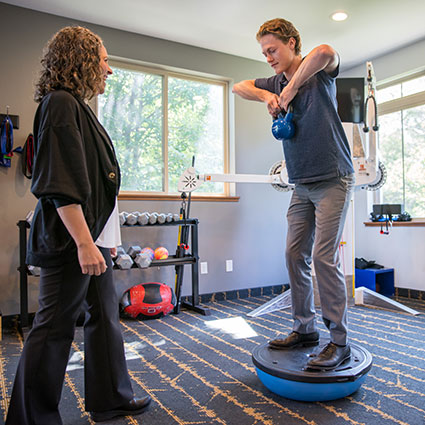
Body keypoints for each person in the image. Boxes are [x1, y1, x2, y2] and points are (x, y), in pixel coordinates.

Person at [6, 26, 151, 424]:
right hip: (73, 241)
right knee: (54, 329)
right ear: (83, 60)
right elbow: (60, 182)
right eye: (104, 60)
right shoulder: (59, 104)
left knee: (104, 319)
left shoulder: (76, 106)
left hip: (94, 237)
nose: (109, 69)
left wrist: (102, 240)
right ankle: (30, 417)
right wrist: (85, 244)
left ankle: (111, 398)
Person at [233, 18, 354, 369]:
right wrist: (269, 93)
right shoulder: (273, 80)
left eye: (273, 50)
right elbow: (238, 87)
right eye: (264, 52)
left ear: (291, 43)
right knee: (292, 254)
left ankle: (339, 341)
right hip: (301, 185)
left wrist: (289, 91)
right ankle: (305, 329)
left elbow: (326, 52)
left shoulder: (319, 73)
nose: (268, 57)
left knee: (322, 257)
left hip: (334, 178)